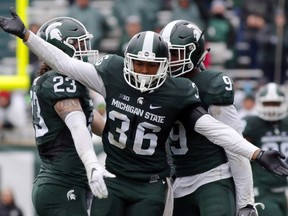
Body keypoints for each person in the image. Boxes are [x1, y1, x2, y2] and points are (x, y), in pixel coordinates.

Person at [1, 9, 288, 216]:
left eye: (152, 66)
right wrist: (28, 36)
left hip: (152, 184)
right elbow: (64, 63)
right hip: (114, 178)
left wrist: (256, 154)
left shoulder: (175, 90)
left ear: (164, 65)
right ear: (127, 61)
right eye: (138, 64)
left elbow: (213, 128)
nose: (144, 72)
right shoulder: (111, 74)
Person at [160, 19, 257, 215]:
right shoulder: (159, 84)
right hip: (178, 180)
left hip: (212, 176)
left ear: (194, 52)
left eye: (175, 53)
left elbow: (234, 143)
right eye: (166, 54)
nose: (169, 60)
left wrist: (246, 202)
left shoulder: (211, 84)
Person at [25, 17, 114, 216]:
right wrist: (92, 163)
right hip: (61, 185)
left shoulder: (65, 81)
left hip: (68, 182)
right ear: (58, 47)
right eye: (77, 44)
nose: (84, 49)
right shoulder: (56, 79)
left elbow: (100, 127)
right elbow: (77, 124)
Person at [242, 82, 288, 216]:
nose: (271, 108)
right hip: (262, 189)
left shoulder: (286, 123)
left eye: (275, 104)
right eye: (268, 103)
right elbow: (240, 152)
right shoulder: (251, 123)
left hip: (283, 188)